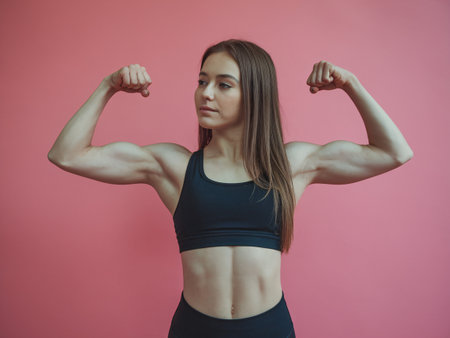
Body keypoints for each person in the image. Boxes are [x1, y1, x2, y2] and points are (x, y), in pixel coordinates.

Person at [48, 39, 413, 338]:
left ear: (254, 94)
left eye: (223, 84)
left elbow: (394, 152)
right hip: (194, 329)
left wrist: (351, 84)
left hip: (270, 329)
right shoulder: (175, 167)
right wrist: (107, 86)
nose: (206, 94)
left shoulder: (290, 165)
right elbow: (68, 155)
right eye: (202, 81)